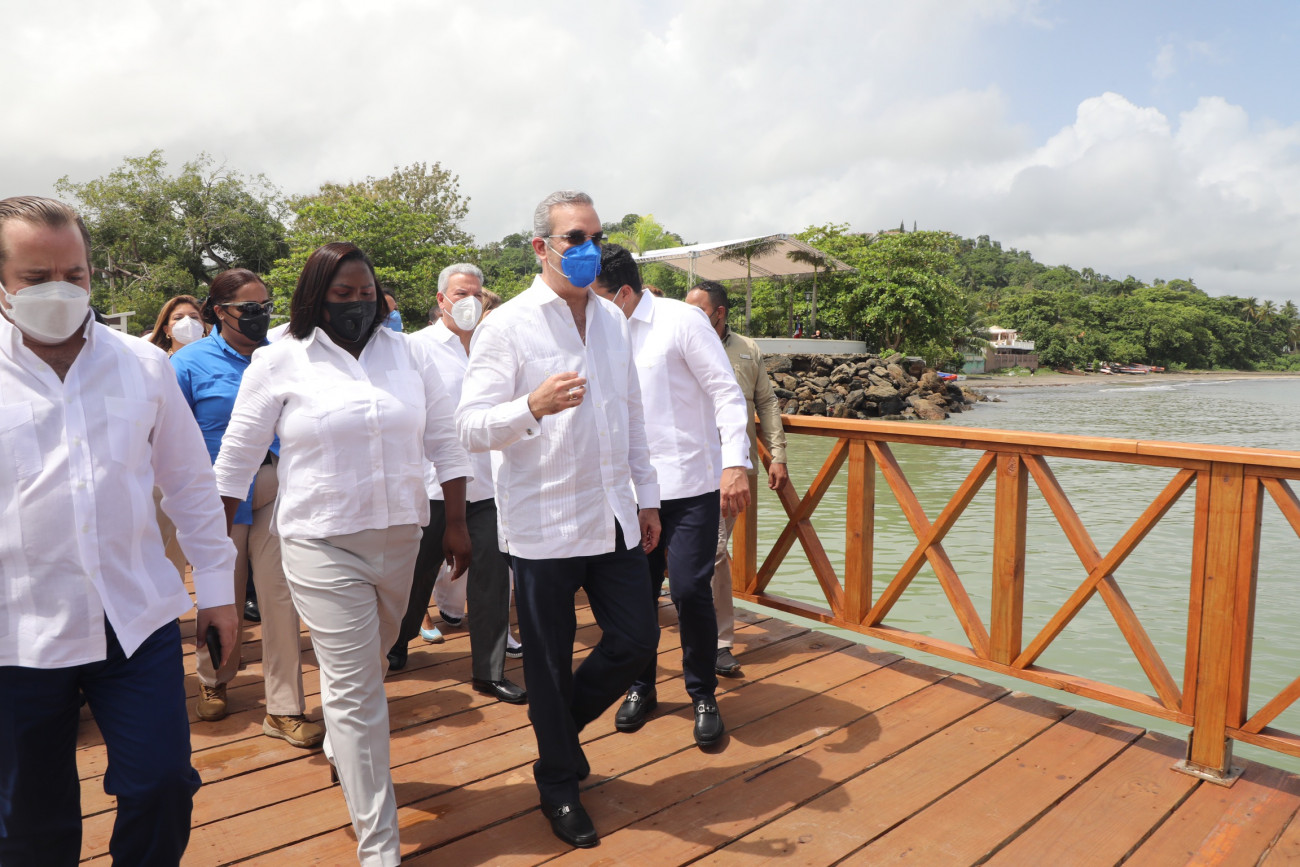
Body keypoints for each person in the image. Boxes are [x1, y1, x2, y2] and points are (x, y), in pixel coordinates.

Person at [212, 242, 472, 866]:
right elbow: (236, 461)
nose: (357, 304)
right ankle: (379, 844)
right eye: (342, 294)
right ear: (315, 297)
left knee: (370, 663)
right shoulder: (279, 359)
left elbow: (445, 439)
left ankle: (341, 745)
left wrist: (458, 523)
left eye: (365, 293)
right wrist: (216, 557)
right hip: (320, 540)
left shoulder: (408, 355)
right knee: (357, 691)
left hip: (401, 536)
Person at [0, 195, 238, 864]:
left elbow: (190, 483)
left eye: (73, 275)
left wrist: (218, 593)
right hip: (18, 632)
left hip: (134, 617)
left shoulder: (142, 364)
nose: (59, 290)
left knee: (162, 785)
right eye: (35, 278)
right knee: (28, 823)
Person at [456, 190, 660, 849]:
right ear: (542, 247)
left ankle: (557, 740)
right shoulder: (507, 326)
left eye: (596, 236)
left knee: (636, 640)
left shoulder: (611, 319)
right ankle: (560, 782)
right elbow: (470, 426)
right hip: (543, 521)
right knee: (545, 662)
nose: (589, 248)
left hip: (612, 513)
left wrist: (648, 496)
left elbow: (630, 412)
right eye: (575, 237)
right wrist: (532, 406)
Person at [592, 245, 751, 749]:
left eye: (594, 294)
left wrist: (735, 463)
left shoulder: (682, 321)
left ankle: (702, 692)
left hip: (689, 485)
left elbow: (726, 392)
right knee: (635, 596)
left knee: (687, 590)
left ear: (622, 292)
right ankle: (641, 686)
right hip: (629, 490)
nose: (586, 305)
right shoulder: (598, 330)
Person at [170, 268, 325, 748]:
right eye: (249, 309)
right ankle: (214, 679)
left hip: (278, 484)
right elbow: (170, 437)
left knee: (280, 597)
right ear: (220, 312)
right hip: (219, 495)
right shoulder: (188, 364)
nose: (261, 316)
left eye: (266, 307)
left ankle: (284, 707)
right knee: (224, 591)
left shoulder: (283, 356)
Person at [389, 263, 526, 704]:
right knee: (414, 576)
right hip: (431, 486)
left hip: (487, 485)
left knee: (492, 581)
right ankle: (396, 641)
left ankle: (489, 671)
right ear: (441, 300)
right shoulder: (415, 348)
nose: (470, 302)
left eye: (477, 294)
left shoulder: (496, 344)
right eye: (461, 293)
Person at [686, 281, 790, 676]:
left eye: (698, 310)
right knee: (691, 553)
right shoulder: (678, 341)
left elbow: (767, 402)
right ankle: (693, 628)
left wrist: (777, 455)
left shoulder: (747, 349)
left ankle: (718, 643)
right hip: (685, 468)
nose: (690, 317)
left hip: (732, 469)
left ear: (720, 312)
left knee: (713, 550)